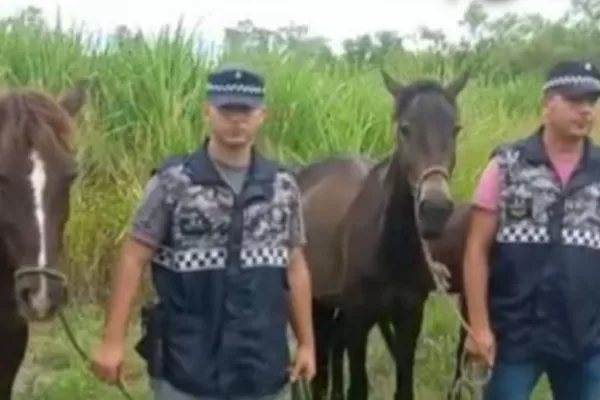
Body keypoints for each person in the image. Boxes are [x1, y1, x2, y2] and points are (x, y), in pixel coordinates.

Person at [90, 64, 316, 400]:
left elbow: (295, 267)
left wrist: (307, 343)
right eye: (227, 110)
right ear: (207, 111)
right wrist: (112, 342)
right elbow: (133, 258)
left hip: (262, 368)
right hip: (187, 368)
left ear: (262, 115)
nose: (236, 119)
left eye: (246, 111)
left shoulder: (282, 186)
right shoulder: (172, 182)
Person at [463, 59, 600, 400]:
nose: (585, 111)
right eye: (573, 100)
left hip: (584, 339)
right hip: (514, 335)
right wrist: (479, 327)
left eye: (591, 102)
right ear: (546, 105)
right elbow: (475, 250)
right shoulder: (507, 166)